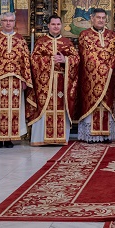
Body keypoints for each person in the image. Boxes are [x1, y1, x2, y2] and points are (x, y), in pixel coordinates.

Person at [0, 12, 34, 148]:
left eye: (11, 20)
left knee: (15, 109)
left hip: (17, 80)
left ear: (14, 22)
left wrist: (25, 80)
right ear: (1, 22)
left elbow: (26, 61)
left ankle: (10, 137)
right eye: (5, 20)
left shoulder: (20, 40)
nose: (8, 23)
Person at [30, 15, 80, 145]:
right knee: (44, 107)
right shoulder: (41, 42)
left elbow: (76, 59)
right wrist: (48, 61)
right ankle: (41, 138)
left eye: (58, 24)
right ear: (48, 26)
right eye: (53, 24)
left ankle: (60, 137)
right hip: (45, 82)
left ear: (61, 25)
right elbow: (34, 59)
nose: (56, 27)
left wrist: (65, 60)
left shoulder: (67, 42)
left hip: (61, 81)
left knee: (61, 107)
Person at [76, 8, 115, 143]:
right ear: (92, 18)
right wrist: (100, 67)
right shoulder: (85, 35)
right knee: (91, 104)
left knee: (106, 104)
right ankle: (89, 135)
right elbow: (86, 55)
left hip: (109, 77)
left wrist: (109, 69)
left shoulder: (112, 36)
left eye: (103, 18)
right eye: (98, 17)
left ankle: (106, 134)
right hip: (90, 77)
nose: (101, 20)